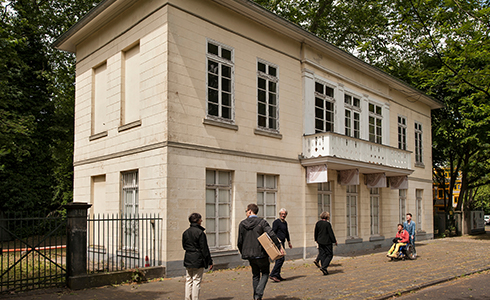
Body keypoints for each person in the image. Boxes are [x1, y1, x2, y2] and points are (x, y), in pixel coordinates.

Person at [237, 203, 284, 300]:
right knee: (265, 273)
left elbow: (239, 241)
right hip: (261, 253)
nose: (246, 213)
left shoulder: (242, 224)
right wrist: (278, 246)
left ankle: (256, 297)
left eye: (246, 211)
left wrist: (243, 252)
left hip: (249, 255)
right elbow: (272, 234)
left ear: (250, 211)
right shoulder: (262, 222)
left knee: (255, 275)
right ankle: (258, 293)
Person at [182, 213, 213, 300]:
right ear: (197, 221)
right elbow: (204, 249)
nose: (201, 221)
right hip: (198, 258)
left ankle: (187, 298)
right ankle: (195, 298)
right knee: (196, 280)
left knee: (188, 279)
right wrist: (209, 261)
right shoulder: (200, 233)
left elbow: (184, 246)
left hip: (188, 257)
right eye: (200, 219)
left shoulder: (186, 232)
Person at [269, 208, 293, 282]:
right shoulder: (276, 222)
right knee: (280, 259)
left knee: (280, 259)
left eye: (284, 214)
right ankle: (272, 274)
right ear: (279, 214)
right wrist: (276, 241)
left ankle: (277, 275)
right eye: (282, 214)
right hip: (278, 242)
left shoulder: (285, 223)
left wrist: (289, 242)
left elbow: (287, 232)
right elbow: (273, 232)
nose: (283, 215)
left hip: (283, 242)